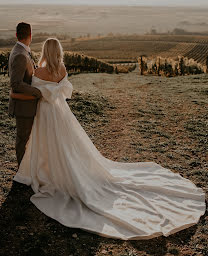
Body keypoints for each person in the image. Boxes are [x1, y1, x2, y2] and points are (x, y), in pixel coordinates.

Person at [13, 38, 206, 240]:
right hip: (61, 113)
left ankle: (47, 171)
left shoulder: (39, 71)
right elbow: (62, 90)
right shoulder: (61, 68)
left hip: (45, 113)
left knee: (48, 143)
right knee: (67, 144)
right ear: (58, 51)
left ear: (44, 50)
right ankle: (63, 169)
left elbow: (35, 91)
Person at [8, 22, 42, 167]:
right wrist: (37, 92)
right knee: (23, 139)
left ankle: (26, 169)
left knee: (25, 139)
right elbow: (15, 83)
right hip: (23, 106)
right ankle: (22, 172)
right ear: (30, 35)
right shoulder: (20, 55)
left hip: (26, 104)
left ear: (16, 35)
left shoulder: (21, 50)